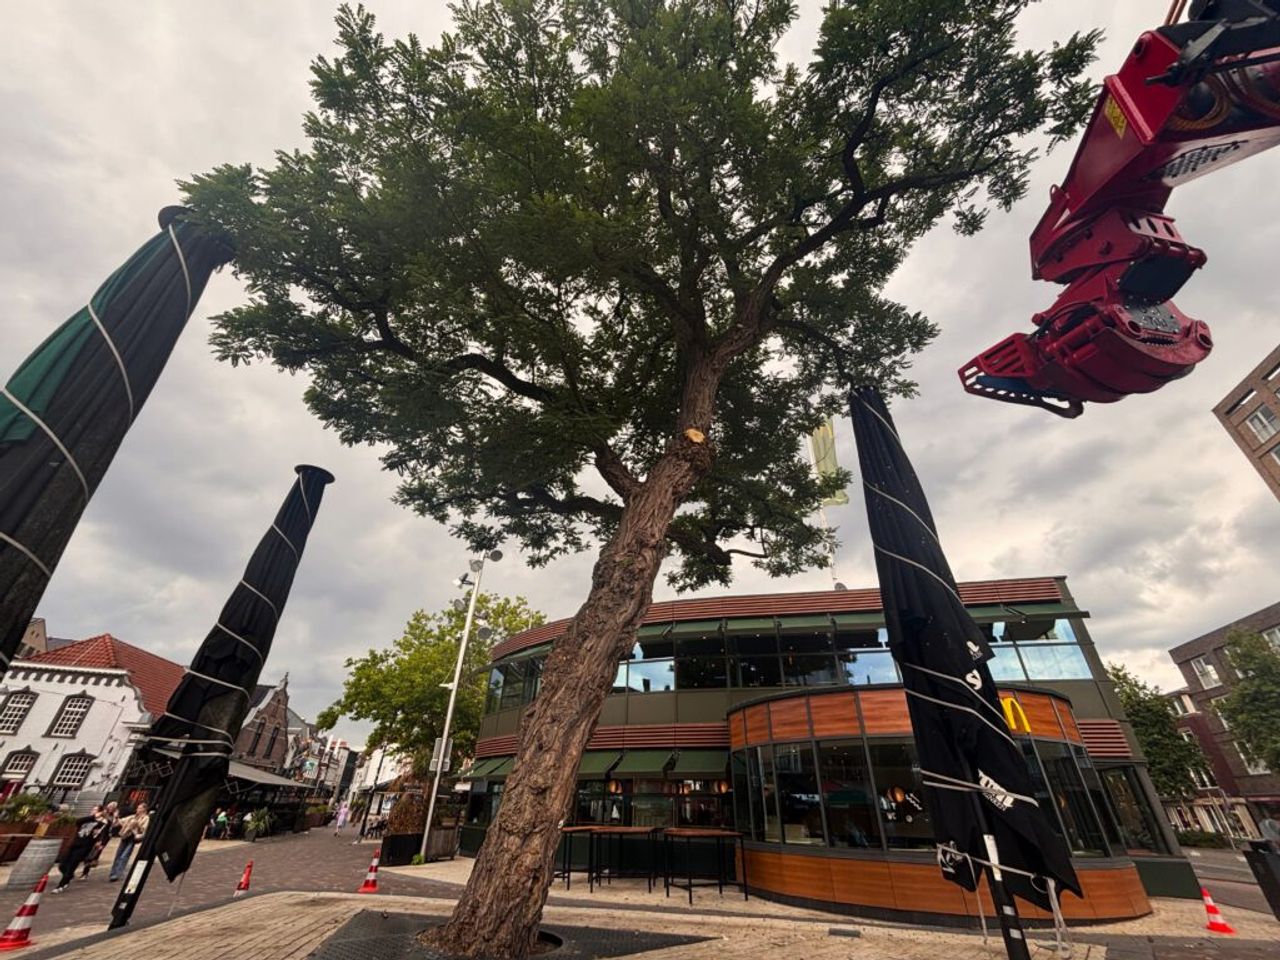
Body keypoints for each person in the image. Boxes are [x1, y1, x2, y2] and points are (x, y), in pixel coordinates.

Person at [53, 807, 111, 893]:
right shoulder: (88, 819)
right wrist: (92, 817)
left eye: (95, 810)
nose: (92, 811)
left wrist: (100, 843)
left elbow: (104, 834)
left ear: (100, 812)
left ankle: (61, 885)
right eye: (93, 809)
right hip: (75, 843)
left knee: (72, 865)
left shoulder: (102, 824)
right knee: (62, 864)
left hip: (84, 847)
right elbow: (78, 821)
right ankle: (69, 876)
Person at [108, 802, 149, 882]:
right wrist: (116, 817)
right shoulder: (133, 816)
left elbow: (144, 829)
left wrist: (136, 824)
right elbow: (121, 821)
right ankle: (113, 873)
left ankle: (117, 874)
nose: (138, 809)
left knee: (124, 856)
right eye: (138, 808)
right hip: (125, 836)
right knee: (118, 855)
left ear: (144, 809)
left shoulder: (146, 818)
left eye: (140, 808)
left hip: (132, 838)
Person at [77, 802, 117, 880]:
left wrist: (102, 843)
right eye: (109, 806)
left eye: (112, 807)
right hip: (93, 837)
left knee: (91, 855)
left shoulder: (111, 818)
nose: (110, 808)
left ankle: (85, 872)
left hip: (102, 838)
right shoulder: (100, 814)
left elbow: (109, 830)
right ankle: (84, 871)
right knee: (87, 853)